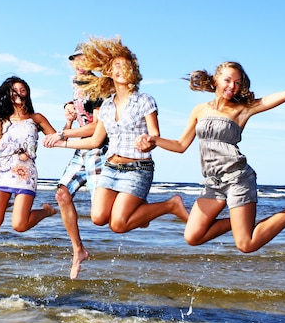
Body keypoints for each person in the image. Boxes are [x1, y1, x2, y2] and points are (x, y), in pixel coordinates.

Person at [137, 61, 285, 252]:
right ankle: (241, 221)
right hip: (213, 183)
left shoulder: (242, 109)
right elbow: (180, 145)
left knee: (246, 244)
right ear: (215, 80)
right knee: (192, 236)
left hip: (237, 178)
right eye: (228, 80)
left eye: (238, 83)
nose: (232, 86)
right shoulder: (199, 110)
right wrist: (154, 140)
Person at [46, 37, 189, 236]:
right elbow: (95, 140)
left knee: (118, 225)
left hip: (137, 168)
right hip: (110, 168)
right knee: (98, 218)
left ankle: (171, 205)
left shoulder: (144, 100)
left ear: (133, 71)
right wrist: (61, 143)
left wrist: (149, 142)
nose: (121, 70)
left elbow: (155, 134)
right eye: (116, 66)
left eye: (125, 66)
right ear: (110, 72)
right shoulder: (106, 105)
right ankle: (139, 207)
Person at [42, 44, 108, 279]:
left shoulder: (99, 87)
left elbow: (97, 126)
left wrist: (63, 134)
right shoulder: (75, 85)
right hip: (81, 151)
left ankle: (137, 213)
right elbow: (79, 113)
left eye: (85, 60)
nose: (80, 65)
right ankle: (78, 250)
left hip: (99, 150)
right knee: (62, 194)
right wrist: (67, 109)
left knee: (103, 217)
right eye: (76, 60)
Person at [0, 76, 58, 233]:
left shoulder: (36, 119)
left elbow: (56, 138)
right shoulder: (2, 121)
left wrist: (68, 125)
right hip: (4, 173)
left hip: (26, 174)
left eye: (22, 90)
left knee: (19, 226)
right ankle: (7, 202)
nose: (19, 93)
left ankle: (46, 211)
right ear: (8, 96)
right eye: (14, 91)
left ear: (27, 93)